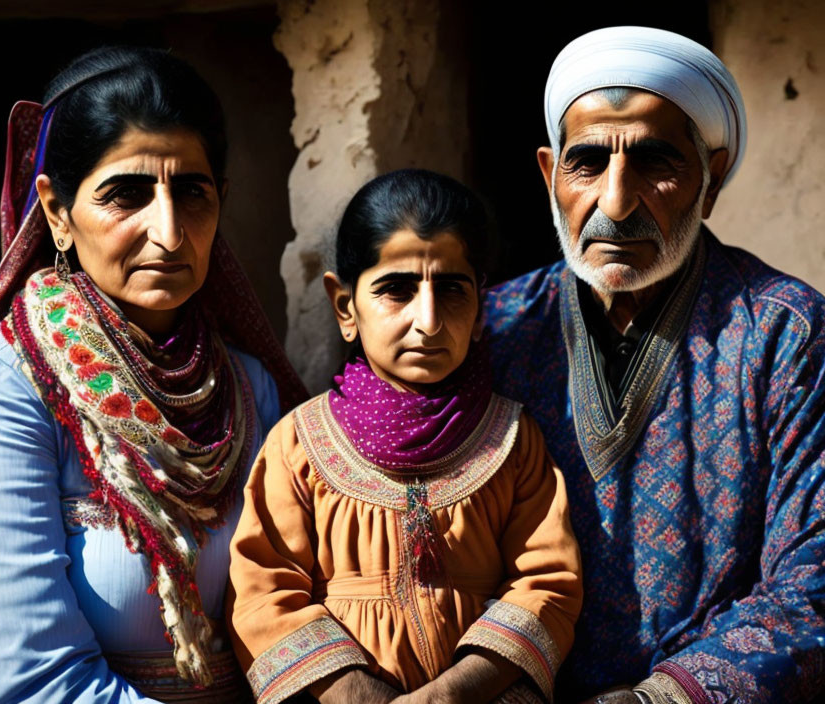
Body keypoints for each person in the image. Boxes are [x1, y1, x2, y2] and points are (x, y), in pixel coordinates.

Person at [0, 46, 307, 704]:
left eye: (192, 192)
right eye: (125, 194)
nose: (168, 232)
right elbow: (26, 682)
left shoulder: (250, 390)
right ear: (55, 211)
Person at [485, 26, 825, 704]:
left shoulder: (786, 333)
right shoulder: (495, 329)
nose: (615, 202)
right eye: (587, 163)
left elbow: (815, 578)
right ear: (551, 175)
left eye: (653, 161)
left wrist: (659, 698)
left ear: (713, 175)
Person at [229, 169, 582, 704]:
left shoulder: (512, 441)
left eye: (452, 290)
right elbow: (263, 595)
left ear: (481, 308)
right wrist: (361, 695)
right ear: (345, 307)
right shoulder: (298, 445)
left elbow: (547, 585)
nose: (429, 321)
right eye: (396, 290)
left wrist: (450, 695)